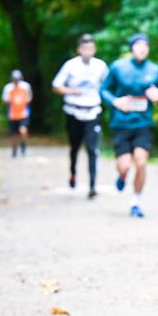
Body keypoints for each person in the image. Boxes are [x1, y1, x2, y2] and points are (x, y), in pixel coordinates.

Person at [99, 33, 158, 218]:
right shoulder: (118, 67)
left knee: (141, 163)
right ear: (132, 48)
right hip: (121, 123)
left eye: (145, 45)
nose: (142, 48)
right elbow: (103, 90)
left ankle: (136, 202)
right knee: (125, 166)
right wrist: (115, 101)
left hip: (143, 123)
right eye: (138, 45)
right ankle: (121, 176)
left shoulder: (155, 70)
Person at [52, 34, 109, 199]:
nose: (88, 52)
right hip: (73, 112)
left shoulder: (100, 66)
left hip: (92, 112)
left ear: (95, 49)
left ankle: (92, 186)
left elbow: (109, 85)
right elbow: (56, 86)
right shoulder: (70, 66)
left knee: (93, 149)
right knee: (75, 147)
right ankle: (73, 173)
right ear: (79, 49)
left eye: (91, 48)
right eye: (85, 49)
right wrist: (71, 91)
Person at [2, 70, 32, 158]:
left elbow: (29, 97)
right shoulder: (8, 88)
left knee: (23, 130)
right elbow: (4, 99)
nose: (16, 81)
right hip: (12, 114)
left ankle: (23, 146)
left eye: (18, 79)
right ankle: (14, 151)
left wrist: (25, 101)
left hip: (23, 113)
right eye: (15, 79)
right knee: (14, 134)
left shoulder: (26, 86)